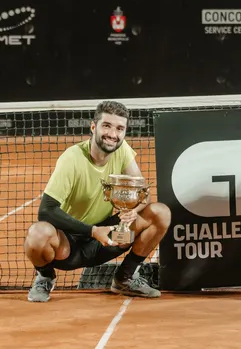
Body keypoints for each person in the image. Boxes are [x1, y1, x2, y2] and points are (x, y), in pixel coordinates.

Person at [24, 100, 171, 302]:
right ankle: (45, 277)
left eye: (119, 128)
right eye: (107, 126)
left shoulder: (122, 150)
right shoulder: (72, 158)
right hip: (69, 244)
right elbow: (46, 211)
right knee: (37, 233)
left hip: (107, 239)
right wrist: (93, 231)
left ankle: (125, 277)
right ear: (93, 127)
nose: (113, 134)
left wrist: (133, 212)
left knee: (160, 213)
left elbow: (143, 196)